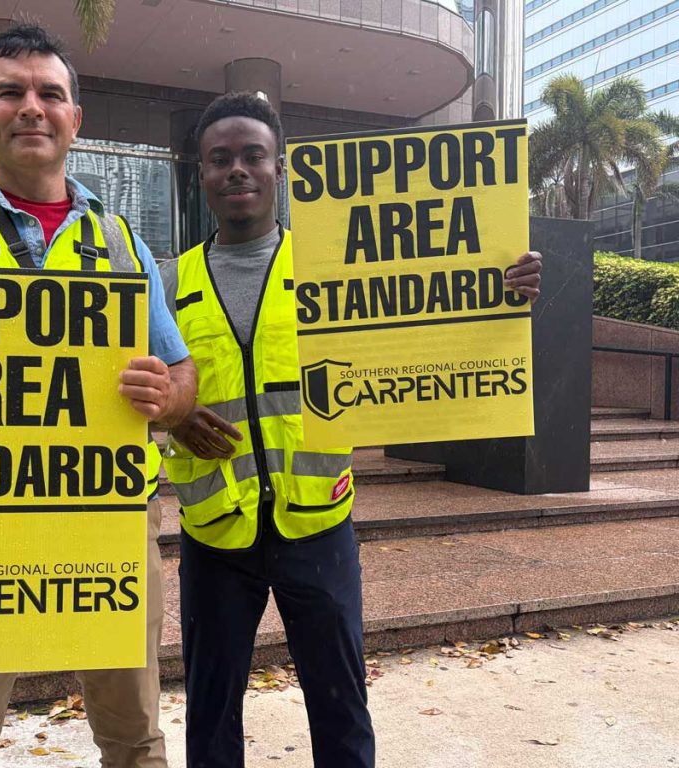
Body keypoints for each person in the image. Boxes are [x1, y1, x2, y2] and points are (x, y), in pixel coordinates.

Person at [159, 92, 543, 768]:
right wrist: (175, 416)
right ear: (202, 176)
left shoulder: (334, 268)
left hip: (319, 525)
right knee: (211, 713)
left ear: (280, 169)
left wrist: (499, 290)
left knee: (340, 707)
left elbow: (431, 317)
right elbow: (135, 392)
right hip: (215, 532)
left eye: (253, 156)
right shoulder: (169, 283)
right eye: (221, 159)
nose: (238, 170)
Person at [0, 22, 197, 768]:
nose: (32, 107)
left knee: (136, 740)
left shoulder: (122, 243)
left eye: (50, 94)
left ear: (74, 120)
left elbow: (183, 380)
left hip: (104, 528)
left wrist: (166, 396)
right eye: (11, 92)